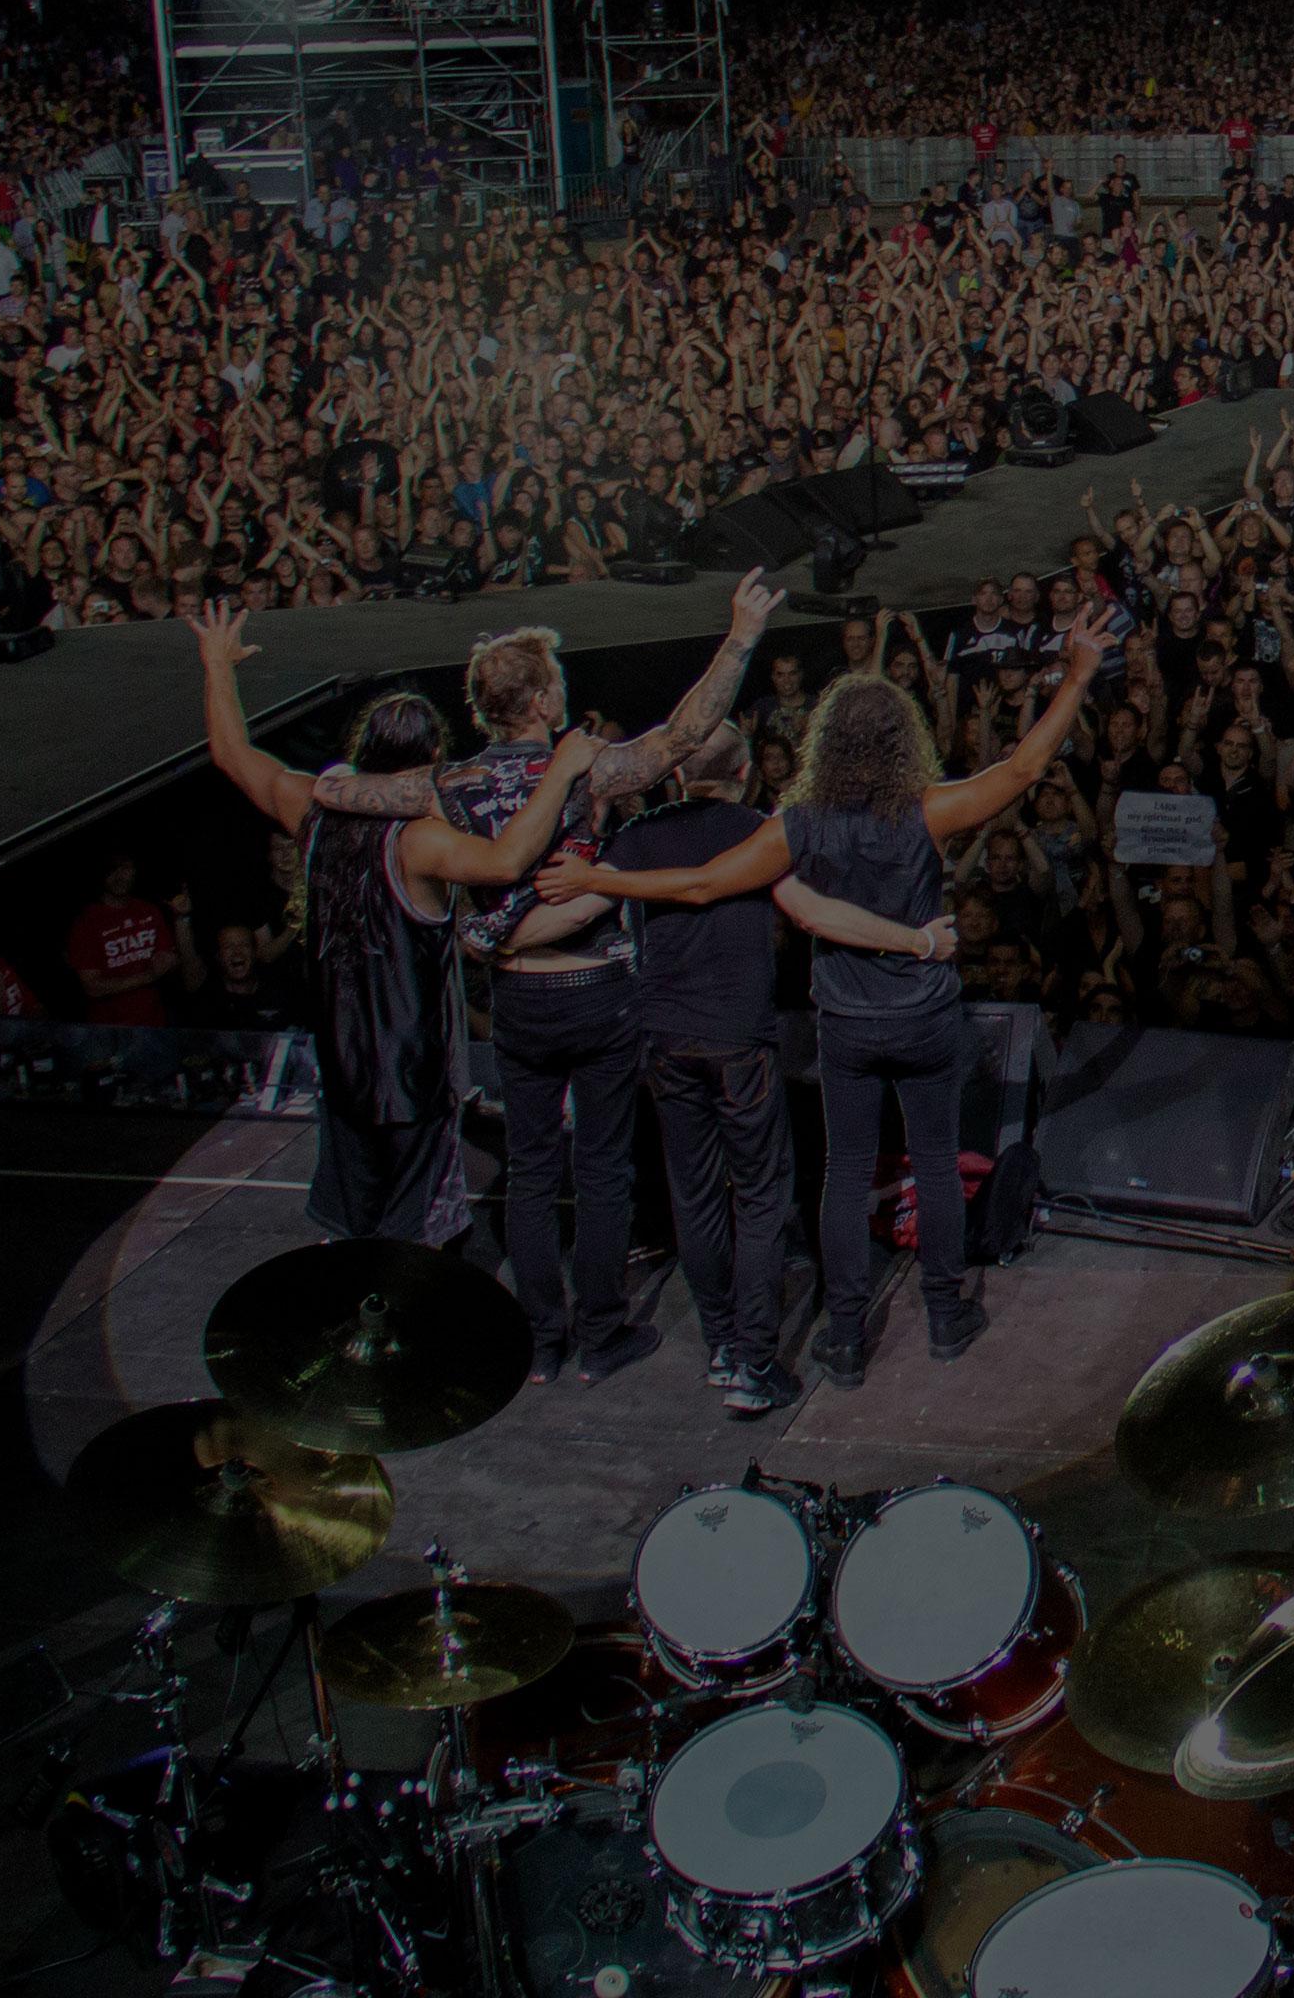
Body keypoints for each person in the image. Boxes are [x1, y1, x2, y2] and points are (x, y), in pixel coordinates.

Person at [538, 605, 1110, 1387]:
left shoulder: (795, 825)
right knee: (937, 1165)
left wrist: (599, 877)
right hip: (924, 1015)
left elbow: (701, 885)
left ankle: (843, 1336)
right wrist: (1077, 672)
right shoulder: (927, 810)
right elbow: (1020, 769)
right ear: (903, 740)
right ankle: (945, 1313)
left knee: (845, 1172)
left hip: (846, 1022)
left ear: (827, 745)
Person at [319, 570, 787, 1383]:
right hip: (593, 989)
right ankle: (601, 1335)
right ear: (538, 701)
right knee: (601, 1167)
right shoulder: (585, 769)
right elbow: (686, 735)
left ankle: (540, 1340)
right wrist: (741, 635)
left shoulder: (445, 787)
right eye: (556, 683)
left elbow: (342, 791)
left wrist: (330, 783)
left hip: (515, 996)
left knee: (532, 1169)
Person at [185, 602, 603, 1246]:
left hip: (341, 1060)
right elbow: (509, 859)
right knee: (412, 1231)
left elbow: (231, 752)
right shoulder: (420, 840)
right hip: (413, 1068)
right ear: (431, 759)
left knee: (357, 1220)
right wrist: (564, 771)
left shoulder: (314, 812)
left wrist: (216, 664)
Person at [599, 725, 961, 1417]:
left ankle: (721, 1344)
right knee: (761, 1196)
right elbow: (816, 914)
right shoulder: (761, 833)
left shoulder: (640, 835)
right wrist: (917, 940)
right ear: (744, 772)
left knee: (695, 1193)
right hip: (738, 1039)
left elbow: (591, 910)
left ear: (678, 777)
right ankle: (755, 1362)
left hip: (664, 1040)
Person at [65, 853, 182, 1028]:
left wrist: (169, 962)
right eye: (112, 870)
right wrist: (148, 976)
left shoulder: (148, 910)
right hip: (110, 1031)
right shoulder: (87, 922)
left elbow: (169, 959)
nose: (120, 876)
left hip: (155, 1024)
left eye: (125, 868)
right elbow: (92, 987)